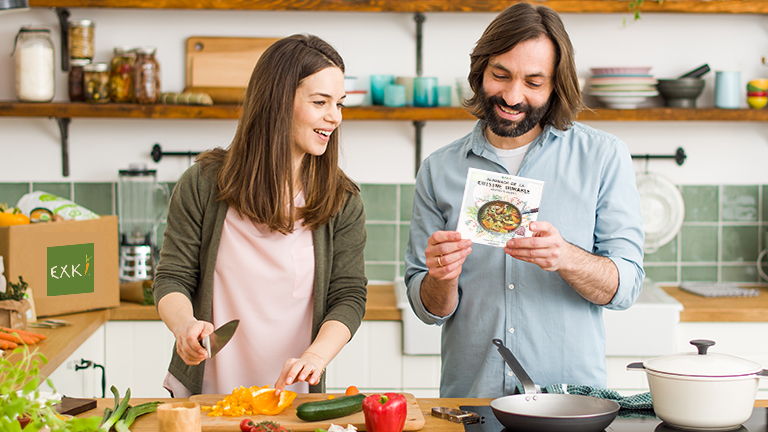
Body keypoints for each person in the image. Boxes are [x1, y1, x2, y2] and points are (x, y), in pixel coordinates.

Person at [404, 3, 644, 398]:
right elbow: (429, 308)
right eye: (501, 75)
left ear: (555, 86)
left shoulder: (603, 156)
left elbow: (626, 287)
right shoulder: (439, 168)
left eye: (534, 82)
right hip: (472, 402)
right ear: (480, 72)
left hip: (569, 404)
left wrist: (566, 256)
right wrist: (441, 277)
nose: (513, 96)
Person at [153, 34, 367, 397]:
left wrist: (316, 356)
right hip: (206, 392)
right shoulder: (204, 183)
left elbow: (348, 296)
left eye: (339, 104)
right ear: (278, 102)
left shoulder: (341, 198)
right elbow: (173, 277)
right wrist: (185, 326)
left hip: (292, 395)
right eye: (320, 102)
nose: (335, 117)